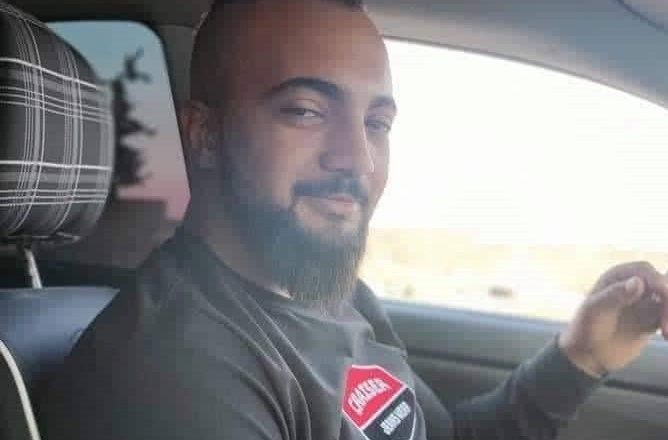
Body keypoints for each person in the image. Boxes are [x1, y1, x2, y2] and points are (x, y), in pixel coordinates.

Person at [39, 0, 668, 439]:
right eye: (306, 110)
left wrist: (581, 355)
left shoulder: (334, 296)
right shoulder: (174, 375)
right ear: (204, 135)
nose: (358, 158)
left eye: (377, 123)